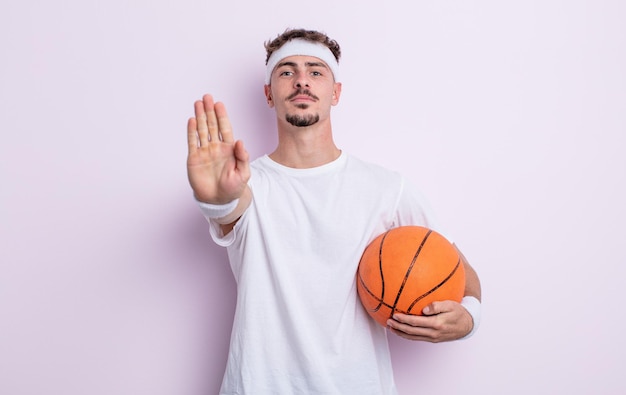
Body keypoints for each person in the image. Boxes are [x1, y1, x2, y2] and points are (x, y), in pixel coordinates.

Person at [186, 28, 482, 395]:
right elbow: (230, 210)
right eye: (286, 72)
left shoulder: (386, 188)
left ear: (335, 92)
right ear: (268, 94)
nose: (301, 82)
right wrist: (215, 199)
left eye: (315, 71)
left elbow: (462, 271)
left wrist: (469, 317)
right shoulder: (246, 183)